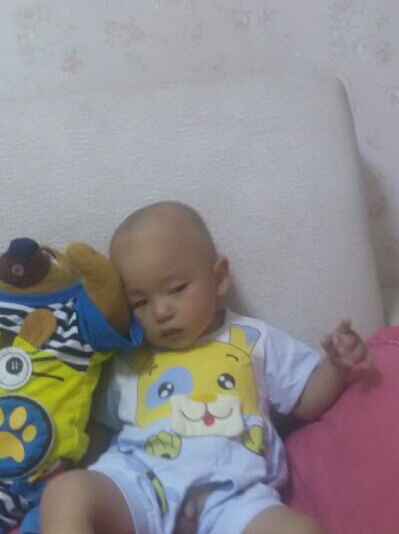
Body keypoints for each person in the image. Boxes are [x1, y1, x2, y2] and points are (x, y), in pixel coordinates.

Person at [41, 201, 368, 534]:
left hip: (236, 498)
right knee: (65, 493)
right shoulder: (130, 358)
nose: (161, 311)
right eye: (140, 302)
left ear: (218, 278)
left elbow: (305, 400)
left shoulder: (253, 339)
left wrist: (337, 366)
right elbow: (95, 426)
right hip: (141, 485)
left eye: (176, 289)